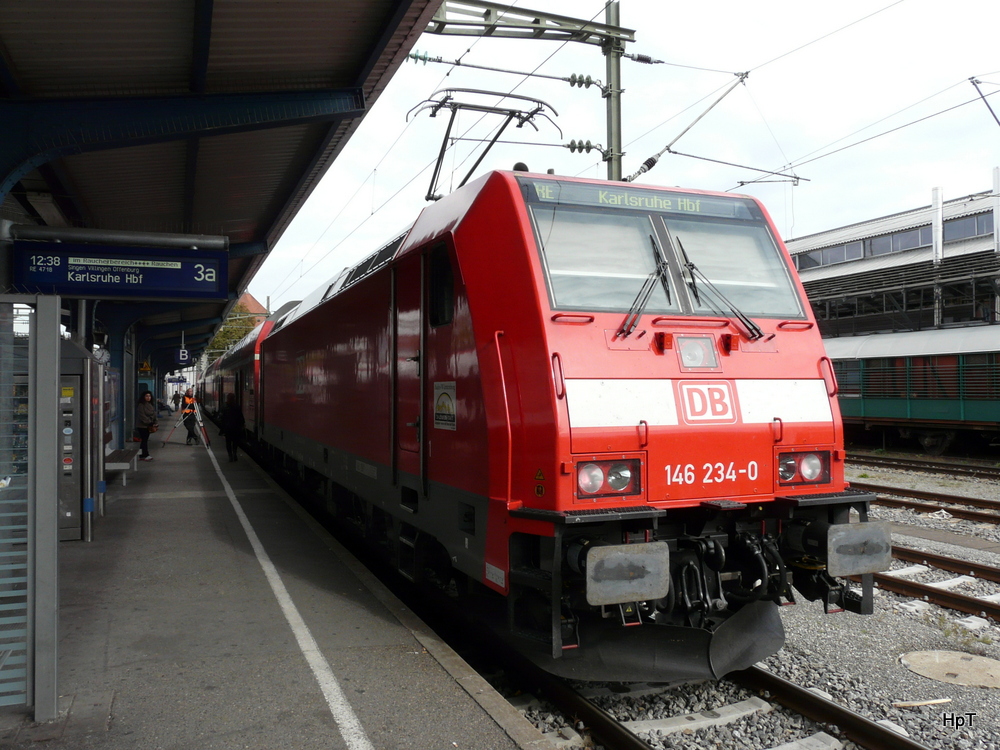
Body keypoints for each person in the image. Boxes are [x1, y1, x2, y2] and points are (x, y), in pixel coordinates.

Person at [219, 393, 245, 462]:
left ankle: (230, 455)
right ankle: (234, 453)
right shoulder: (237, 406)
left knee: (228, 442)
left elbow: (221, 417)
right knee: (235, 442)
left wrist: (222, 426)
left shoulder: (224, 406)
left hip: (227, 428)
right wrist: (242, 425)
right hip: (236, 427)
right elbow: (241, 417)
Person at [135, 390, 157, 461]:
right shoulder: (141, 405)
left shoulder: (150, 405)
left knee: (145, 440)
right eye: (146, 396)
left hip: (148, 425)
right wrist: (149, 422)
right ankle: (144, 454)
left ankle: (143, 455)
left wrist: (155, 422)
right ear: (143, 397)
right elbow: (142, 416)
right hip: (142, 426)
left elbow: (154, 414)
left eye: (149, 396)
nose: (148, 397)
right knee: (144, 440)